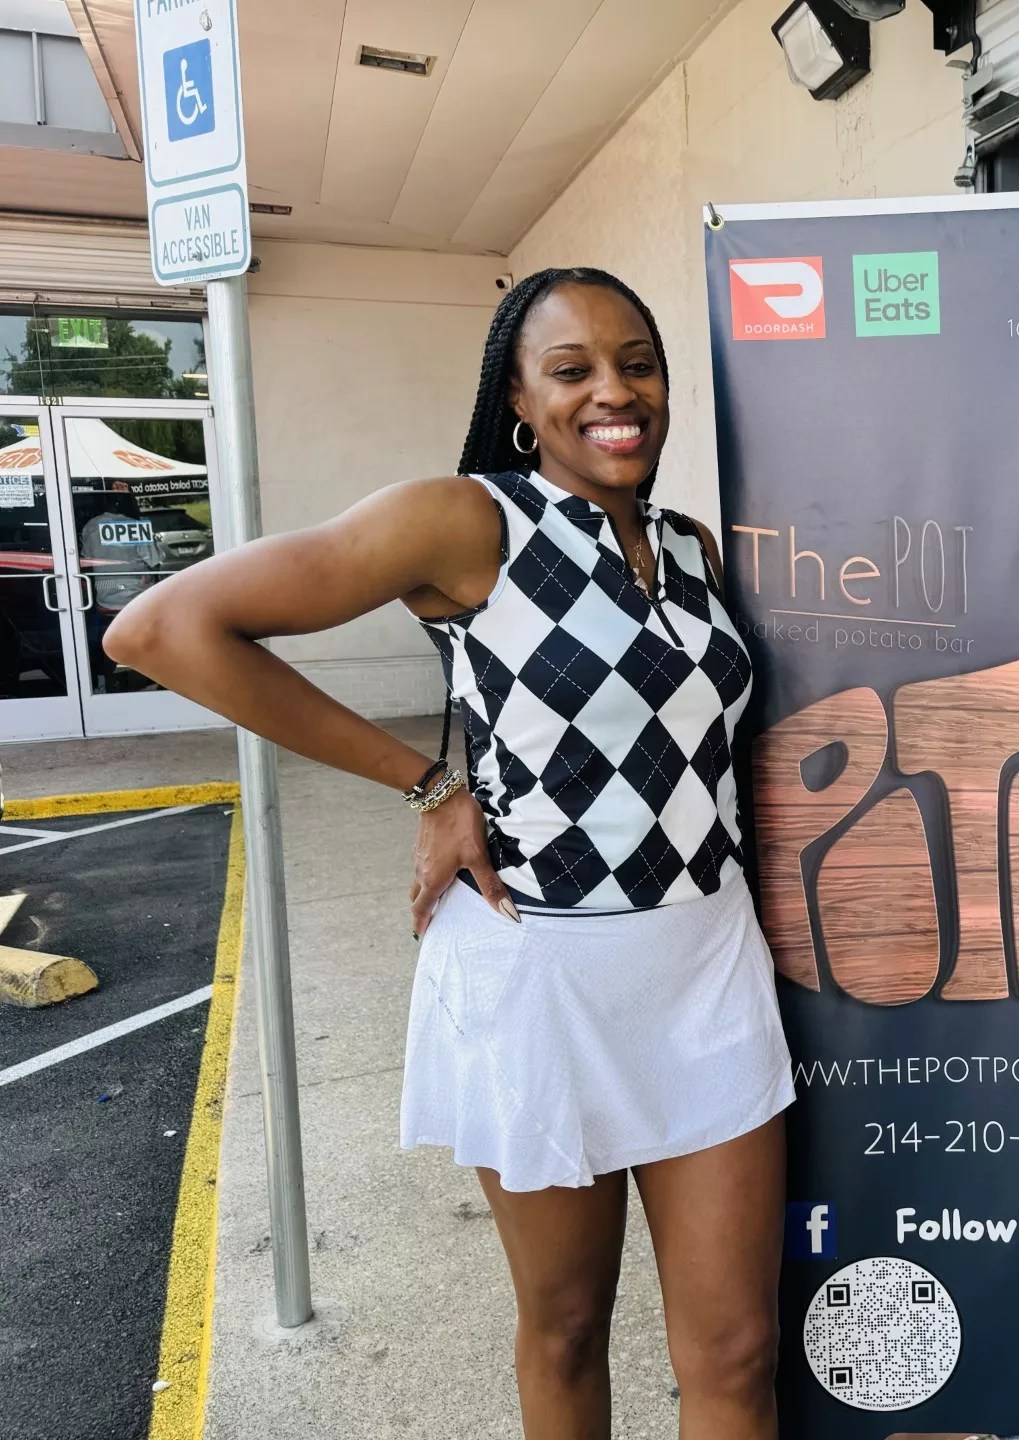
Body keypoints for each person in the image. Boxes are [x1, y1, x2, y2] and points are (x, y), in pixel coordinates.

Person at [104, 267, 794, 1440]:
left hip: (709, 965)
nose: (613, 391)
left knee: (737, 1351)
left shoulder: (691, 549)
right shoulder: (468, 520)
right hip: (542, 974)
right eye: (572, 370)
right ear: (519, 401)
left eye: (637, 364)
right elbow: (163, 629)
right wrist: (429, 783)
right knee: (566, 1326)